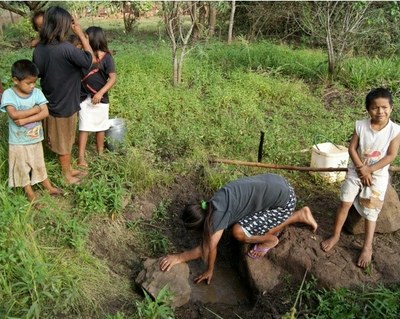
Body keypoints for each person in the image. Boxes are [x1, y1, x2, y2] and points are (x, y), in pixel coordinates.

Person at [160, 173, 318, 284]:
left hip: (284, 202)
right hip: (277, 182)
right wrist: (210, 270)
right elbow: (212, 244)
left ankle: (286, 226)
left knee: (238, 232)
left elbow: (205, 249)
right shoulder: (213, 203)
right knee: (237, 228)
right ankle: (296, 216)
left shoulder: (217, 218)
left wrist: (179, 258)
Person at [321, 87, 400, 269]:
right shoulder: (361, 125)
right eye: (374, 108)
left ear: (391, 108)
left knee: (371, 211)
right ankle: (336, 235)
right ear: (368, 109)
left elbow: (390, 155)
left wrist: (370, 169)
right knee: (345, 202)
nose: (380, 111)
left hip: (377, 174)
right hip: (356, 170)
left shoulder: (394, 130)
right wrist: (361, 169)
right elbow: (351, 148)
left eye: (384, 107)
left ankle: (367, 247)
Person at [32, 6, 95, 184]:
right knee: (64, 138)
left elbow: (38, 73)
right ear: (62, 25)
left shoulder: (39, 49)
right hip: (65, 101)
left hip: (52, 98)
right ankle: (66, 176)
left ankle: (68, 169)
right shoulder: (66, 48)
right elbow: (89, 59)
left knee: (64, 137)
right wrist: (81, 34)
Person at [0, 59, 62, 203]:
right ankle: (30, 193)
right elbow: (13, 114)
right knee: (21, 166)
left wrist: (25, 120)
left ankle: (47, 185)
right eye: (28, 83)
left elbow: (45, 112)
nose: (32, 86)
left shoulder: (37, 93)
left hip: (35, 138)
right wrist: (35, 110)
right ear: (15, 80)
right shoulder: (9, 94)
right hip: (18, 141)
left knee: (39, 162)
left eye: (34, 82)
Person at [78, 26, 117, 168]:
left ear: (94, 39)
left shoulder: (107, 58)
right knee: (84, 127)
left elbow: (112, 78)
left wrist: (100, 93)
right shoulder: (84, 55)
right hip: (84, 97)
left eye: (86, 37)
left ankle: (100, 152)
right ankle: (81, 157)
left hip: (101, 98)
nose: (84, 39)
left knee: (101, 126)